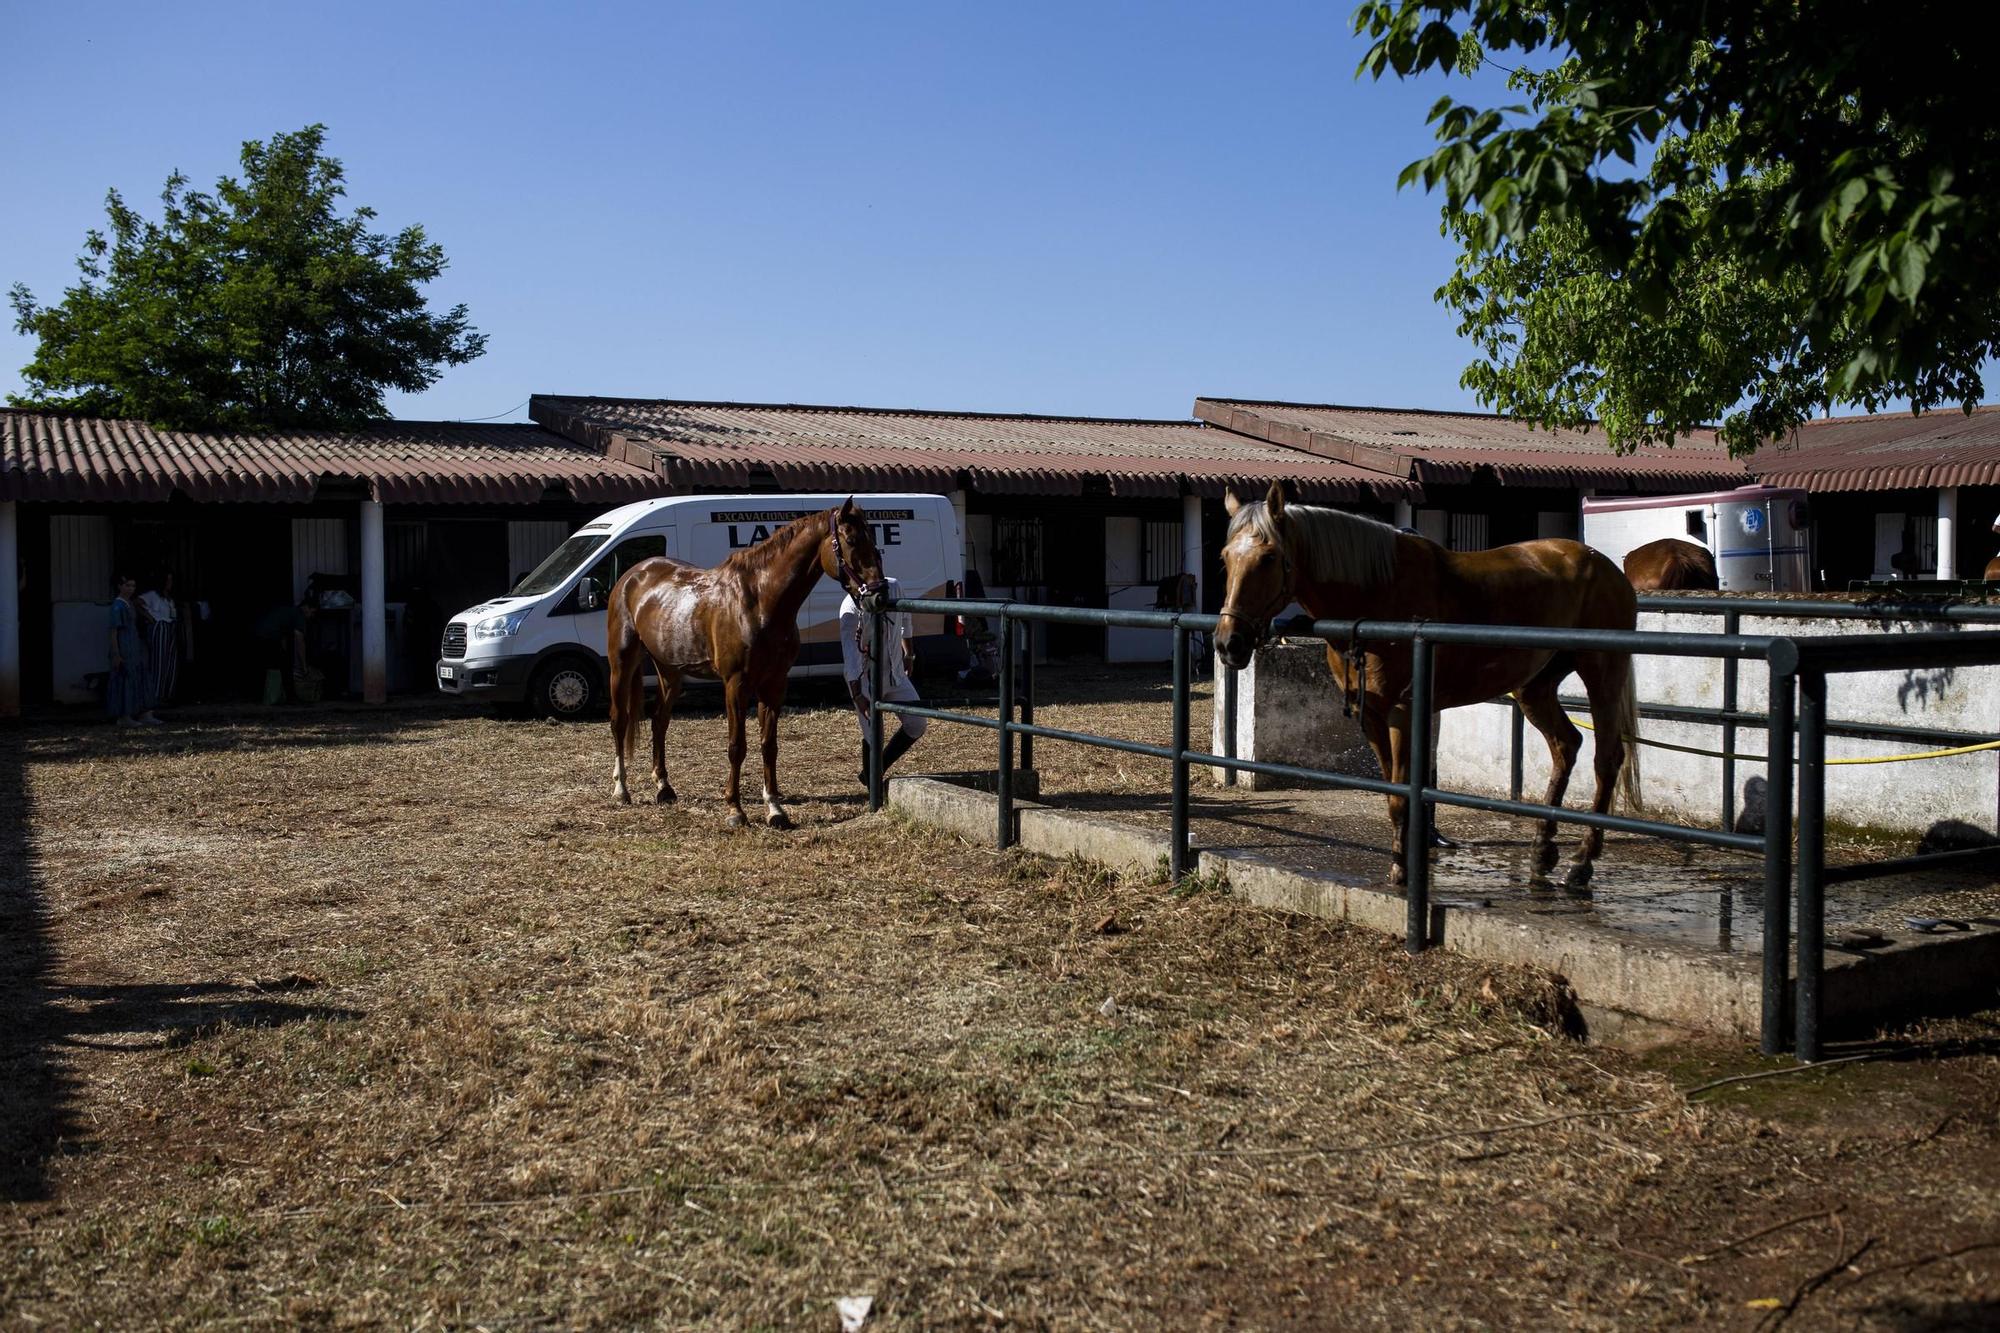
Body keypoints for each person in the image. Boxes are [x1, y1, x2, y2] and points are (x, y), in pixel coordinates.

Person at [840, 576, 927, 784]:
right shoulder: (849, 607)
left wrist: (908, 654)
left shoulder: (895, 586)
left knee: (917, 723)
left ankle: (874, 771)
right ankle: (874, 788)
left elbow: (905, 619)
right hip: (866, 680)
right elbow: (850, 656)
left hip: (895, 672)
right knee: (873, 734)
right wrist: (857, 693)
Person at [107, 573, 159, 726]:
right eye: (127, 585)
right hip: (124, 646)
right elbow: (113, 631)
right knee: (125, 678)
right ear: (119, 586)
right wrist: (116, 653)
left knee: (140, 677)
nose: (130, 589)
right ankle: (124, 716)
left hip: (134, 644)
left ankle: (144, 713)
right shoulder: (118, 606)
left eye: (133, 586)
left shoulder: (129, 604)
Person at [254, 594, 318, 703]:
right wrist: (304, 667)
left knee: (266, 666)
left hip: (258, 634)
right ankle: (291, 697)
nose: (311, 616)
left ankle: (262, 696)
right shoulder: (299, 616)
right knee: (286, 667)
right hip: (268, 636)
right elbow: (300, 643)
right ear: (306, 607)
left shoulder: (289, 612)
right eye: (312, 612)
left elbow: (283, 637)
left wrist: (283, 651)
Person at [137, 571, 180, 708]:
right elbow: (137, 603)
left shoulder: (169, 598)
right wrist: (151, 619)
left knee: (171, 662)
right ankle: (156, 695)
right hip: (160, 626)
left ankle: (167, 694)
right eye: (167, 580)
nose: (169, 583)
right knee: (159, 661)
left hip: (170, 626)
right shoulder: (152, 595)